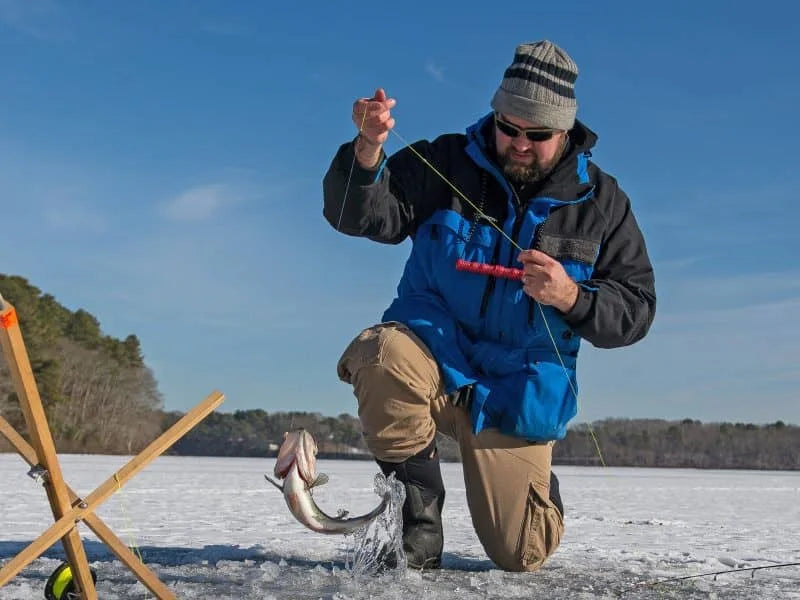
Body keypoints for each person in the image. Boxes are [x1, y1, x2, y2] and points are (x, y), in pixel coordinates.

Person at [322, 40, 656, 572]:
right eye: (509, 128)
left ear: (565, 131)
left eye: (537, 135)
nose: (520, 144)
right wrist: (367, 151)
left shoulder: (603, 204)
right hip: (433, 358)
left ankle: (532, 482)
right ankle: (416, 534)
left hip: (516, 388)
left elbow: (636, 310)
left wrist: (571, 296)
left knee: (519, 554)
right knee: (381, 353)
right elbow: (358, 216)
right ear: (495, 114)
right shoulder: (446, 160)